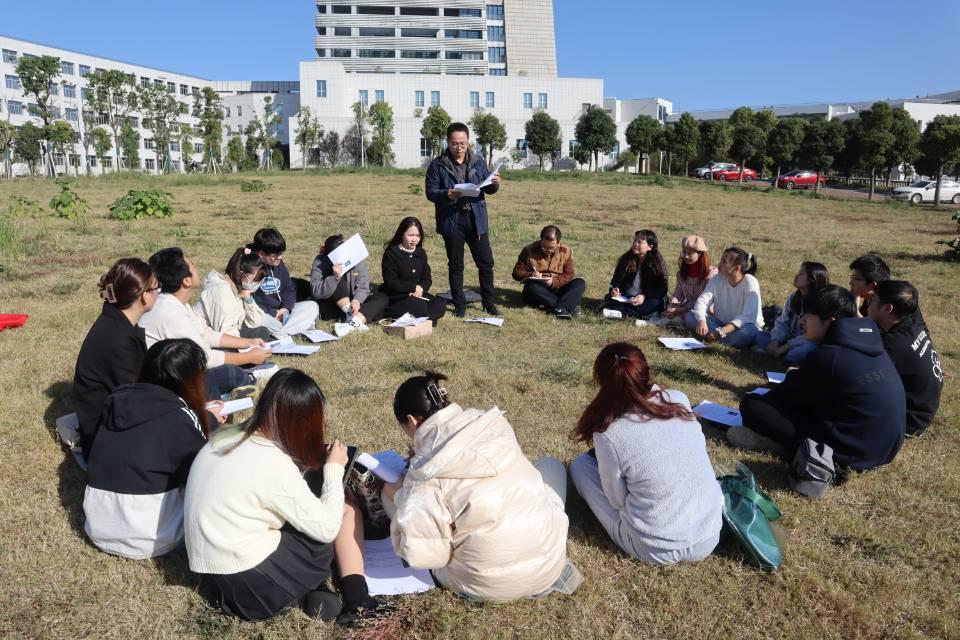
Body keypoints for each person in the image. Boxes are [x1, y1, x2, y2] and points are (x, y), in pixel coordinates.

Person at [185, 369, 381, 623]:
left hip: (211, 577)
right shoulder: (272, 463)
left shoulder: (225, 436)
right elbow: (326, 529)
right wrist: (334, 469)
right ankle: (358, 598)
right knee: (340, 511)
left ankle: (304, 594)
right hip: (253, 584)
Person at [381, 372, 580, 602]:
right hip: (549, 565)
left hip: (486, 585)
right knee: (550, 465)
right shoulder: (491, 423)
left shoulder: (424, 475)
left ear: (412, 421)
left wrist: (400, 495)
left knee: (390, 495)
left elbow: (430, 555)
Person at [569, 342, 723, 565]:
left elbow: (617, 502)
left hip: (655, 549)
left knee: (580, 466)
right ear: (648, 373)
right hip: (709, 535)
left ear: (601, 383)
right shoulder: (679, 398)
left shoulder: (608, 434)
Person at [735, 285, 906, 471]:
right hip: (885, 448)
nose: (802, 322)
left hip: (849, 454)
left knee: (752, 404)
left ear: (829, 321)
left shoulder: (830, 355)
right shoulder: (870, 340)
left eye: (807, 317)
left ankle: (776, 446)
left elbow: (783, 396)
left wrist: (793, 376)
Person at [83, 339, 216, 560]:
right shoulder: (180, 417)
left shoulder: (115, 400)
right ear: (192, 380)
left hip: (98, 526)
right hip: (152, 538)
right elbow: (201, 476)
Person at [139, 247, 274, 400]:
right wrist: (248, 357)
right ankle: (245, 379)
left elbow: (206, 334)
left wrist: (248, 342)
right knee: (232, 374)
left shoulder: (177, 303)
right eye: (192, 265)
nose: (196, 267)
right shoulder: (171, 312)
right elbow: (203, 359)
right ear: (186, 281)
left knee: (250, 345)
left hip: (181, 367)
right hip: (167, 380)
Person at [73, 258, 159, 457]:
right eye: (157, 288)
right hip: (107, 439)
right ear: (144, 296)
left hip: (112, 420)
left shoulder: (117, 322)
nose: (159, 293)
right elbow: (139, 398)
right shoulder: (118, 340)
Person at [425, 122, 501, 317]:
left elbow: (489, 189)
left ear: (468, 142)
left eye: (462, 144)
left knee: (486, 263)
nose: (458, 147)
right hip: (452, 219)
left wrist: (494, 183)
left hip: (476, 218)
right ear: (447, 142)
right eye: (454, 144)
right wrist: (447, 194)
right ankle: (459, 305)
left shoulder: (478, 161)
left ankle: (488, 302)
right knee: (456, 264)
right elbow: (430, 192)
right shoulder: (437, 164)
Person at [868, 281, 943, 436]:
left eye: (873, 300)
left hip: (909, 421)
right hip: (923, 409)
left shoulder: (892, 346)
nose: (868, 303)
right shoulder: (914, 325)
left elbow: (861, 377)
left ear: (888, 308)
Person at [369, 217, 447, 327]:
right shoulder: (392, 253)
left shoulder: (421, 253)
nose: (414, 239)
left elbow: (427, 278)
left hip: (417, 294)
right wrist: (412, 288)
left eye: (417, 235)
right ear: (402, 234)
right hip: (396, 295)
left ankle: (420, 317)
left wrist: (420, 289)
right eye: (410, 235)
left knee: (440, 303)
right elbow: (391, 282)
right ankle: (419, 317)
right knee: (418, 306)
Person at [685, 247, 763, 349]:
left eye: (724, 262)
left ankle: (716, 337)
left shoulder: (750, 282)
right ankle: (725, 340)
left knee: (747, 333)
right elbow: (702, 301)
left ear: (736, 268)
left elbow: (747, 316)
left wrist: (720, 332)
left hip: (743, 327)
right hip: (720, 323)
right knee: (690, 316)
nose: (719, 264)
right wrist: (701, 321)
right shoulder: (717, 279)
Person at [309, 234, 387, 334]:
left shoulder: (356, 258)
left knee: (382, 298)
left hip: (354, 303)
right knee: (339, 282)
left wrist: (356, 301)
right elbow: (316, 292)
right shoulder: (320, 261)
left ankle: (353, 322)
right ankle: (354, 318)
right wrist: (334, 277)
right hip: (332, 305)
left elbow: (363, 285)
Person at [754, 261, 829, 365]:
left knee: (802, 351)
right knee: (759, 336)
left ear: (812, 279)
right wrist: (775, 341)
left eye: (801, 273)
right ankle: (781, 354)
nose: (796, 275)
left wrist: (785, 347)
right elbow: (782, 321)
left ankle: (784, 356)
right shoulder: (794, 297)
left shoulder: (821, 302)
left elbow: (811, 337)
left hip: (805, 343)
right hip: (788, 339)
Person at [249, 227, 320, 335]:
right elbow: (250, 301)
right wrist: (273, 314)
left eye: (281, 253)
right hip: (263, 314)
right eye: (275, 255)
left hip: (281, 313)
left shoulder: (278, 263)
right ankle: (287, 330)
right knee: (258, 319)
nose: (280, 257)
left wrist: (286, 308)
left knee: (312, 306)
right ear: (261, 254)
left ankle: (280, 332)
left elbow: (288, 288)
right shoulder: (250, 267)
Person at [195, 248, 276, 342]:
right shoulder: (221, 290)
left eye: (261, 280)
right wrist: (248, 343)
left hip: (227, 334)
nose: (258, 283)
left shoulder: (240, 289)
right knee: (262, 334)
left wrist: (248, 299)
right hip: (206, 339)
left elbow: (255, 322)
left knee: (263, 333)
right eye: (256, 279)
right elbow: (224, 333)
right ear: (242, 275)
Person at [511, 225, 586, 319]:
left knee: (579, 283)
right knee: (531, 286)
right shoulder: (529, 250)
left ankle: (559, 307)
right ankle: (564, 307)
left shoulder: (566, 251)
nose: (548, 251)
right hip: (538, 290)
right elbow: (516, 272)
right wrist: (531, 274)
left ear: (558, 243)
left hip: (558, 287)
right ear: (541, 241)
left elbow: (569, 274)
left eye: (553, 248)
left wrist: (554, 281)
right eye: (544, 247)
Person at [601, 229, 669, 321]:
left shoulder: (657, 262)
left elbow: (662, 288)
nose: (635, 244)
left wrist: (644, 296)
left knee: (655, 303)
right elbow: (616, 280)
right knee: (610, 299)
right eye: (635, 241)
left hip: (647, 298)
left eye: (640, 242)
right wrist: (614, 289)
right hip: (628, 297)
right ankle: (642, 314)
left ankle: (622, 314)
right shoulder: (626, 259)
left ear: (650, 247)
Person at [664, 235, 718, 322]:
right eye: (684, 252)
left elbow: (706, 301)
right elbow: (678, 293)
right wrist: (672, 305)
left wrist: (682, 309)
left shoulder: (710, 274)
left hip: (706, 309)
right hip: (688, 307)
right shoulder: (682, 274)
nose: (686, 256)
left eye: (689, 253)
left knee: (692, 317)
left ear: (699, 254)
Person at [849, 253, 890, 318]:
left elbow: (869, 324)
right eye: (852, 277)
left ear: (872, 285)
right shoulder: (869, 300)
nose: (850, 282)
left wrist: (855, 311)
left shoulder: (886, 308)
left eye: (855, 278)